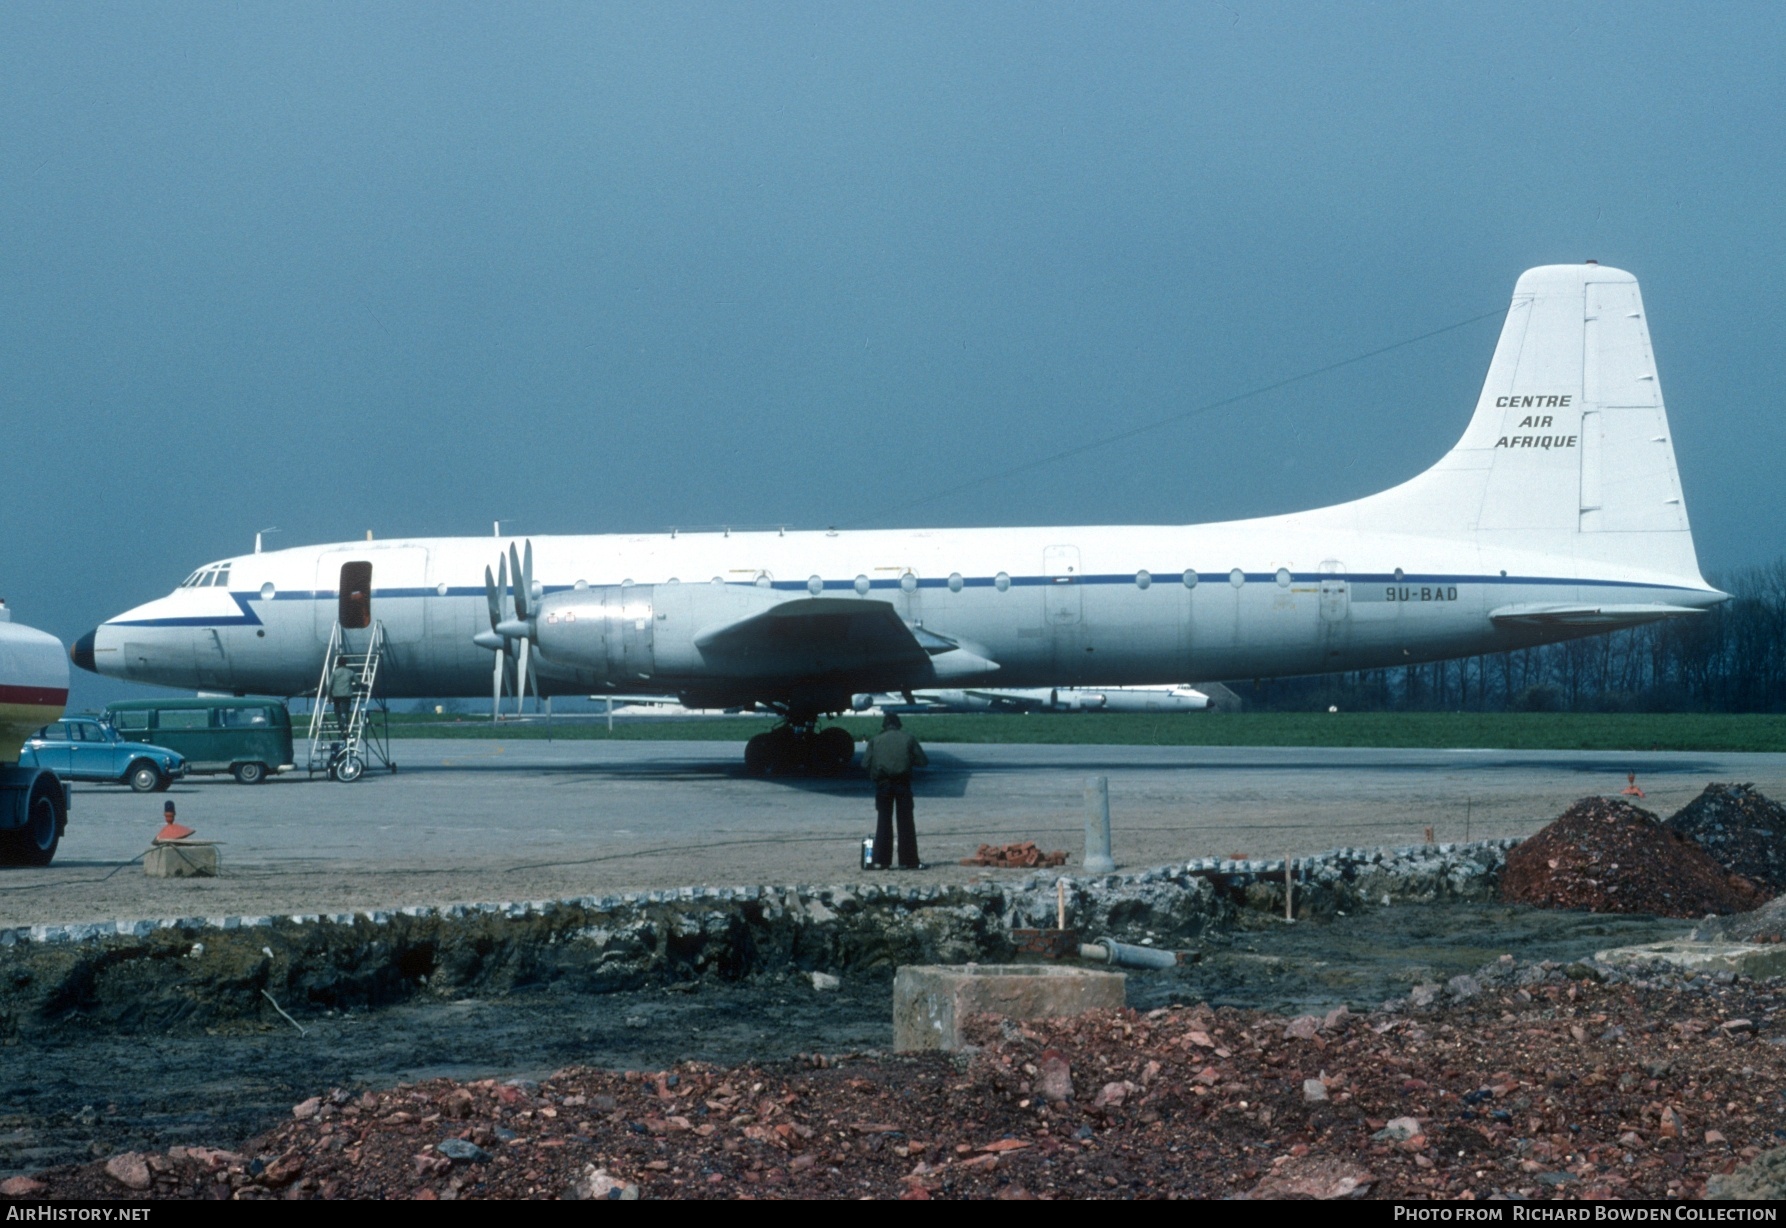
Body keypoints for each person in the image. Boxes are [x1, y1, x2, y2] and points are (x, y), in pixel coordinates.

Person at [864, 713, 928, 869]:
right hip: (902, 785)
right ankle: (909, 861)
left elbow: (865, 763)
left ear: (884, 726)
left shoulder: (875, 740)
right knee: (906, 823)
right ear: (899, 725)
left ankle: (881, 861)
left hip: (883, 785)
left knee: (883, 822)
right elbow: (923, 761)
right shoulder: (908, 738)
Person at [328, 657, 356, 731]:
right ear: (345, 663)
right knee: (345, 709)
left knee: (337, 708)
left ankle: (339, 721)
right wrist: (363, 685)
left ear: (338, 663)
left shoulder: (335, 673)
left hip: (336, 695)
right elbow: (358, 681)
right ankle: (344, 721)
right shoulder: (350, 672)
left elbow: (329, 685)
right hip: (346, 695)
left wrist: (328, 696)